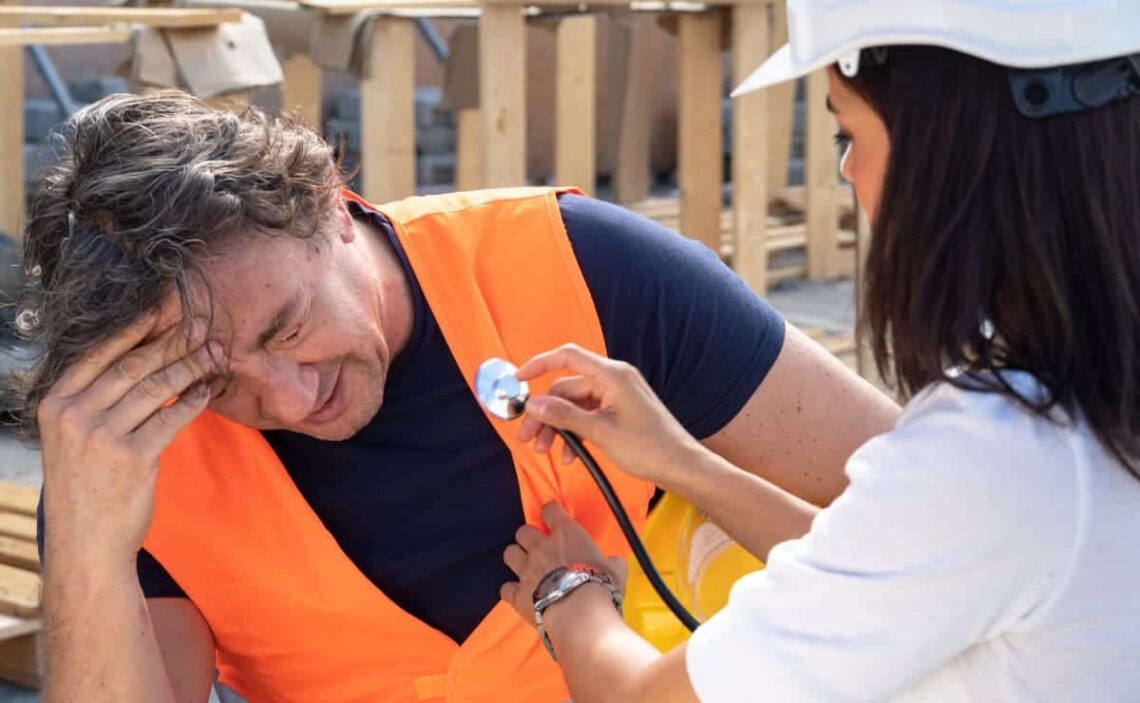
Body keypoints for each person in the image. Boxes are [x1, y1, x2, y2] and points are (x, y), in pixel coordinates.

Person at [19, 91, 897, 703]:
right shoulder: (130, 443)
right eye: (213, 382)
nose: (288, 398)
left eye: (287, 328)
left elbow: (925, 523)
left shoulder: (589, 268)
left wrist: (689, 471)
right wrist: (89, 545)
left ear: (328, 204)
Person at [498, 2, 1140, 702]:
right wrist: (682, 463)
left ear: (945, 148)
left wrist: (569, 593)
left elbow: (652, 697)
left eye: (848, 132)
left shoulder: (998, 447)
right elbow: (901, 565)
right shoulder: (1077, 405)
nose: (847, 168)